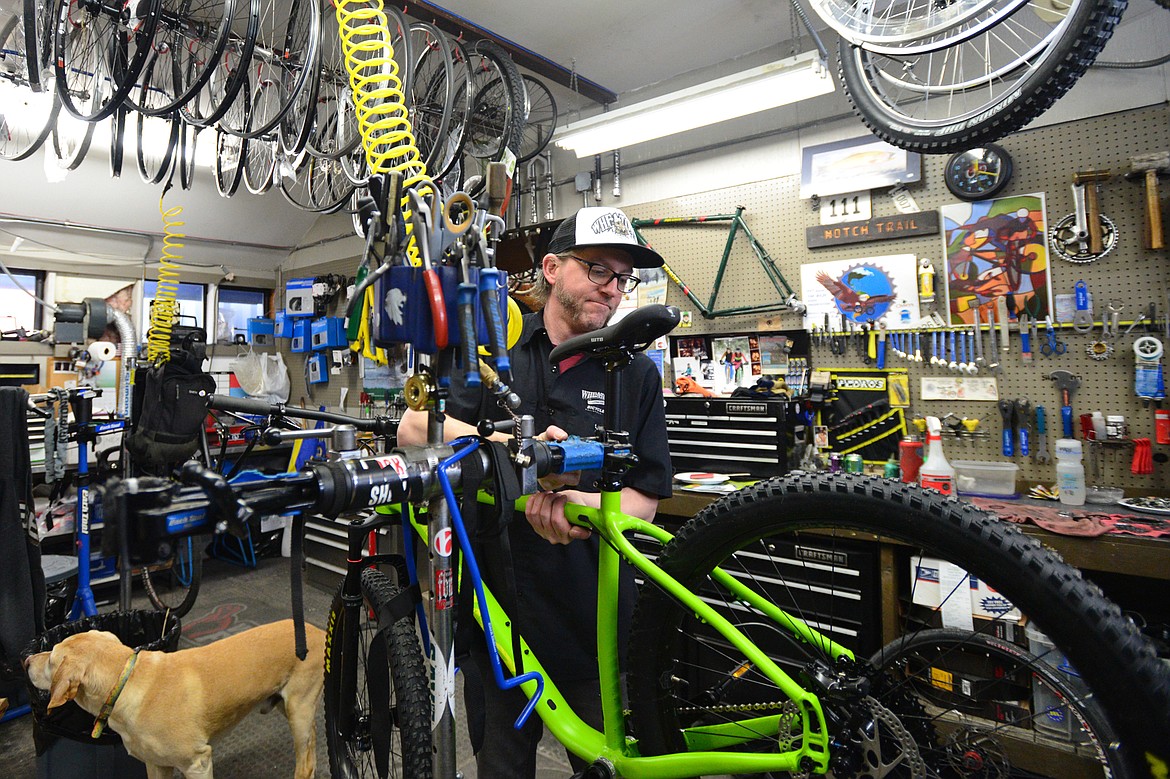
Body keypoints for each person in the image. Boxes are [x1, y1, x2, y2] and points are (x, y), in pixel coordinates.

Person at [396, 205, 672, 777]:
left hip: (594, 626)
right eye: (597, 270)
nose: (613, 289)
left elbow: (646, 496)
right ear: (551, 267)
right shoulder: (494, 350)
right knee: (502, 770)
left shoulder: (636, 373)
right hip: (498, 617)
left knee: (605, 769)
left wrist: (582, 505)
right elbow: (412, 427)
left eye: (622, 278)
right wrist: (503, 442)